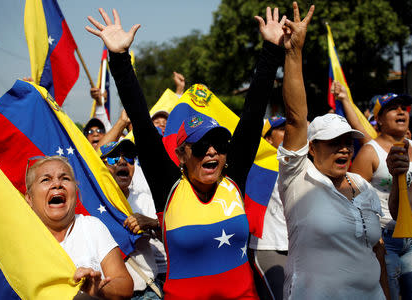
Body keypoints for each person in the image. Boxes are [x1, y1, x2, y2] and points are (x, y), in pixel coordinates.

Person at [86, 5, 288, 299]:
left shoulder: (232, 179)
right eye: (201, 145)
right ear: (181, 154)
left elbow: (254, 112)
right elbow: (141, 122)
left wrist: (271, 49)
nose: (211, 152)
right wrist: (119, 58)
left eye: (218, 145)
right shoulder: (168, 187)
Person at [275, 3, 387, 298]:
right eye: (333, 142)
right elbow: (297, 117)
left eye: (348, 141)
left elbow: (377, 251)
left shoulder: (363, 186)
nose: (344, 149)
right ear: (311, 148)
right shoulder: (298, 178)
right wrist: (294, 51)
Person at [351, 93, 412, 300]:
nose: (401, 111)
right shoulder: (369, 152)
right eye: (393, 108)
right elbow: (353, 199)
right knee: (390, 296)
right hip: (385, 240)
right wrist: (372, 238)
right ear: (379, 119)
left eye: (404, 108)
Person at [24, 156, 133, 299]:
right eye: (46, 179)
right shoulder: (21, 239)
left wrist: (97, 289)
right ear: (29, 199)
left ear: (75, 193)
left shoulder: (91, 226)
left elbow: (125, 285)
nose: (57, 184)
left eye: (65, 179)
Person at [100, 140, 163, 299]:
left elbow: (172, 240)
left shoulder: (145, 201)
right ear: (101, 166)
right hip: (108, 294)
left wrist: (152, 224)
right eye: (113, 158)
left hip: (147, 292)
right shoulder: (93, 205)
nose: (122, 162)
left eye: (128, 158)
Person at [248, 115, 288, 300]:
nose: (288, 132)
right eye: (281, 129)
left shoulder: (301, 163)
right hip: (269, 247)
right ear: (268, 139)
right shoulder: (255, 168)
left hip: (298, 247)